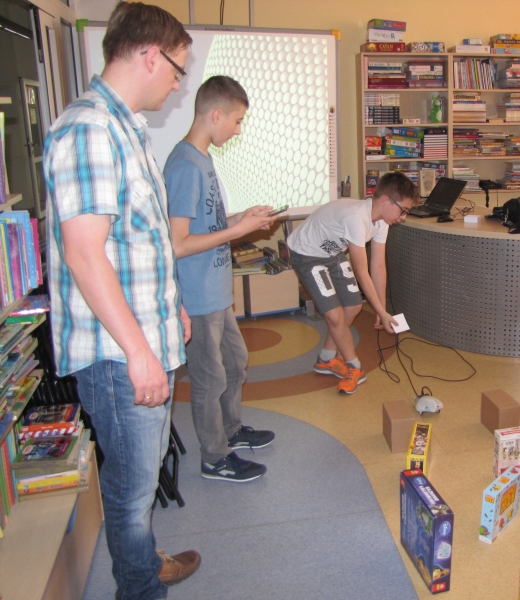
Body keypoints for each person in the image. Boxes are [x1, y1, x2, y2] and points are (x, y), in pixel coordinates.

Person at [44, 3, 199, 598]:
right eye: (178, 70)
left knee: (143, 469)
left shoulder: (125, 127)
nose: (178, 84)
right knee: (132, 486)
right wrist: (138, 352)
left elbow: (140, 241)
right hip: (117, 354)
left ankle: (143, 560)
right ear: (149, 56)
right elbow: (86, 255)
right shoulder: (88, 129)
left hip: (142, 338)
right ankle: (139, 586)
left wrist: (171, 306)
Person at [164, 76, 279, 483]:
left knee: (234, 363)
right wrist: (237, 231)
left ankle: (230, 431)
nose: (238, 129)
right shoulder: (184, 166)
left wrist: (243, 219)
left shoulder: (203, 158)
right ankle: (214, 457)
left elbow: (208, 223)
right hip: (197, 297)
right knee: (209, 379)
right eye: (237, 120)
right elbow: (178, 243)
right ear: (216, 115)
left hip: (215, 291)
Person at [287, 172, 419, 394]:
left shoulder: (382, 221)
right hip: (307, 254)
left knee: (354, 306)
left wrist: (381, 308)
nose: (403, 217)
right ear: (385, 201)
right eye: (403, 210)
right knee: (334, 315)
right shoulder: (356, 218)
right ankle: (354, 366)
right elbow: (361, 271)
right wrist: (379, 310)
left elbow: (378, 266)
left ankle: (327, 358)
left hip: (331, 253)